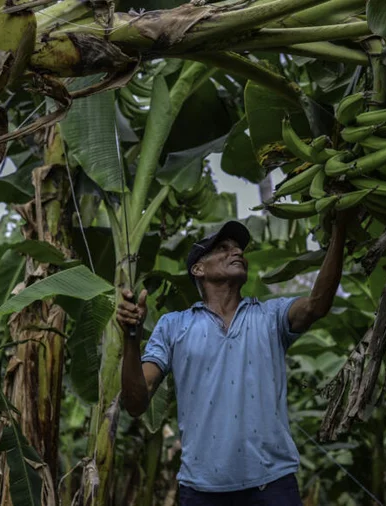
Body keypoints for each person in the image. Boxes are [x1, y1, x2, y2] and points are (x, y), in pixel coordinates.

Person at [118, 215, 348, 505]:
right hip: (201, 491)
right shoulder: (173, 325)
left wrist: (339, 230)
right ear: (198, 269)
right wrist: (131, 338)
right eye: (223, 248)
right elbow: (136, 403)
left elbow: (317, 305)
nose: (236, 252)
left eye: (238, 248)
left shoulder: (271, 316)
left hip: (272, 485)